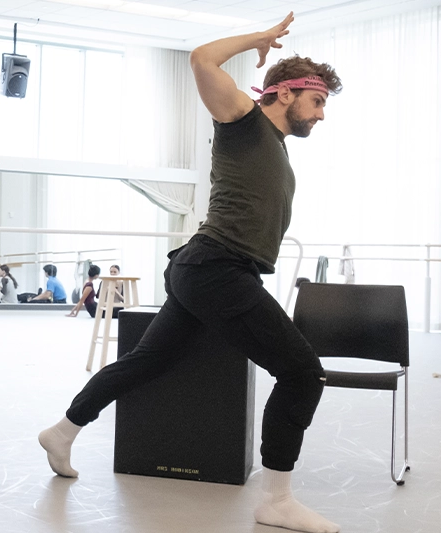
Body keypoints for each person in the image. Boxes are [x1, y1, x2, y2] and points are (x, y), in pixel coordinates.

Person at [38, 14, 343, 533]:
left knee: (148, 360)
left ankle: (63, 430)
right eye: (317, 101)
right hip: (216, 267)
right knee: (301, 372)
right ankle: (277, 499)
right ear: (285, 93)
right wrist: (260, 39)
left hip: (205, 268)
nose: (322, 115)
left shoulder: (275, 145)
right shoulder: (243, 120)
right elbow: (202, 57)